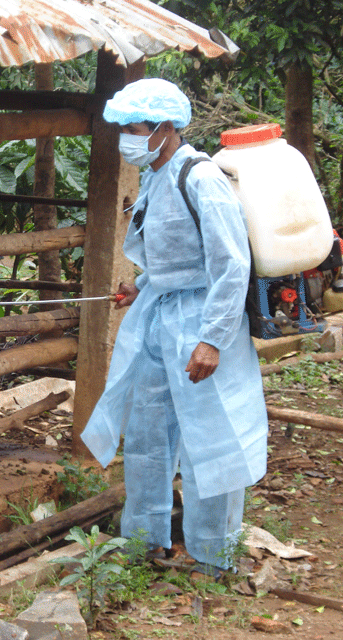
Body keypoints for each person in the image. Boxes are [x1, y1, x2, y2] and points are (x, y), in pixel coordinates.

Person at [80, 78, 268, 577]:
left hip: (203, 320)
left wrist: (212, 340)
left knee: (212, 435)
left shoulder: (201, 177)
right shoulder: (156, 175)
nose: (127, 138)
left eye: (134, 128)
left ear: (165, 127)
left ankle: (215, 555)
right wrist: (142, 286)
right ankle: (144, 540)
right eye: (123, 129)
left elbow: (231, 264)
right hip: (160, 317)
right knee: (147, 430)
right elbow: (175, 254)